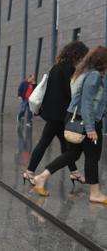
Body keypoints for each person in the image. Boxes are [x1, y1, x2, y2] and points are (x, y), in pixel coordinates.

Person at [32, 46, 107, 204]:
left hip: (77, 118)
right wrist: (91, 128)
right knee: (92, 156)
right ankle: (95, 193)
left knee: (72, 154)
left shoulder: (85, 72)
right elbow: (86, 103)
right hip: (86, 120)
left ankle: (41, 177)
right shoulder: (93, 76)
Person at [22, 41, 89, 185]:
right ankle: (29, 172)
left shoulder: (55, 67)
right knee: (52, 144)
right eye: (82, 56)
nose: (82, 59)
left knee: (65, 145)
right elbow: (70, 92)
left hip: (52, 113)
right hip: (60, 115)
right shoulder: (69, 69)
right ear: (76, 54)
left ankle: (74, 172)